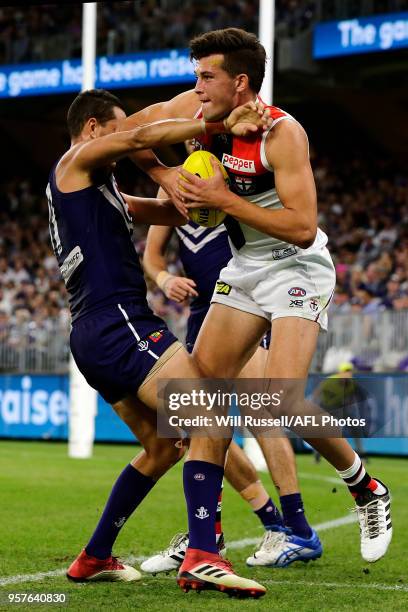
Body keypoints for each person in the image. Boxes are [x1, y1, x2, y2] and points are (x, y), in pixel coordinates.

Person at [125, 28, 392, 565]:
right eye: (196, 75)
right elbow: (131, 132)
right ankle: (207, 538)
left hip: (298, 265)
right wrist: (163, 175)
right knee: (197, 402)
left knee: (280, 398)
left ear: (240, 81)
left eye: (207, 76)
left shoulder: (282, 133)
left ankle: (366, 489)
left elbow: (300, 226)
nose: (195, 86)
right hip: (244, 266)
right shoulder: (195, 111)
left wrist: (223, 199)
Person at [50, 88, 269, 597]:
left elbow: (171, 214)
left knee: (161, 447)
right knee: (209, 420)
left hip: (93, 333)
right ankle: (202, 557)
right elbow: (145, 136)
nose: (126, 141)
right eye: (116, 130)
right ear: (91, 130)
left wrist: (208, 198)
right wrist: (215, 127)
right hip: (120, 323)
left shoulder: (100, 192)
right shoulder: (77, 160)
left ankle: (94, 556)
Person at [141, 213, 320, 572]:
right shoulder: (173, 188)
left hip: (244, 303)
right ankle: (215, 534)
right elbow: (151, 255)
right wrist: (163, 278)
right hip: (201, 313)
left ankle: (298, 529)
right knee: (198, 423)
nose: (196, 150)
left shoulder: (234, 175)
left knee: (259, 410)